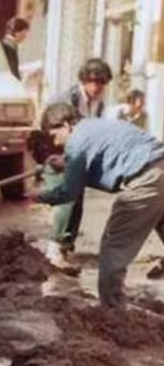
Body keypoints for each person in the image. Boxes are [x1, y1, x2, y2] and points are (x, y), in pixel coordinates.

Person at [33, 102, 164, 307]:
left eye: (54, 135)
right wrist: (66, 164)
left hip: (145, 177)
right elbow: (103, 160)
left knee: (114, 244)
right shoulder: (94, 127)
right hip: (159, 165)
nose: (55, 142)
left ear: (67, 125)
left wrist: (39, 197)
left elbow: (69, 192)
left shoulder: (76, 142)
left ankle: (113, 312)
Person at [44, 58, 113, 267]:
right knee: (66, 202)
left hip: (78, 156)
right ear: (83, 80)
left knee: (78, 204)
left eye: (101, 83)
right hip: (57, 154)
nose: (97, 87)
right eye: (93, 82)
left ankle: (66, 246)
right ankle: (53, 249)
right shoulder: (65, 100)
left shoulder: (99, 103)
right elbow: (50, 131)